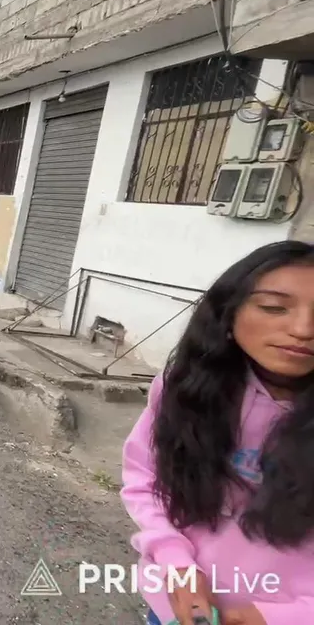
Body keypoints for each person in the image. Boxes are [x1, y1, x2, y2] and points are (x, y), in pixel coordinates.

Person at [121, 241, 314, 625]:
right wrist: (176, 563)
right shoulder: (186, 390)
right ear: (229, 313)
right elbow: (146, 480)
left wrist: (286, 616)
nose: (302, 329)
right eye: (274, 307)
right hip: (180, 607)